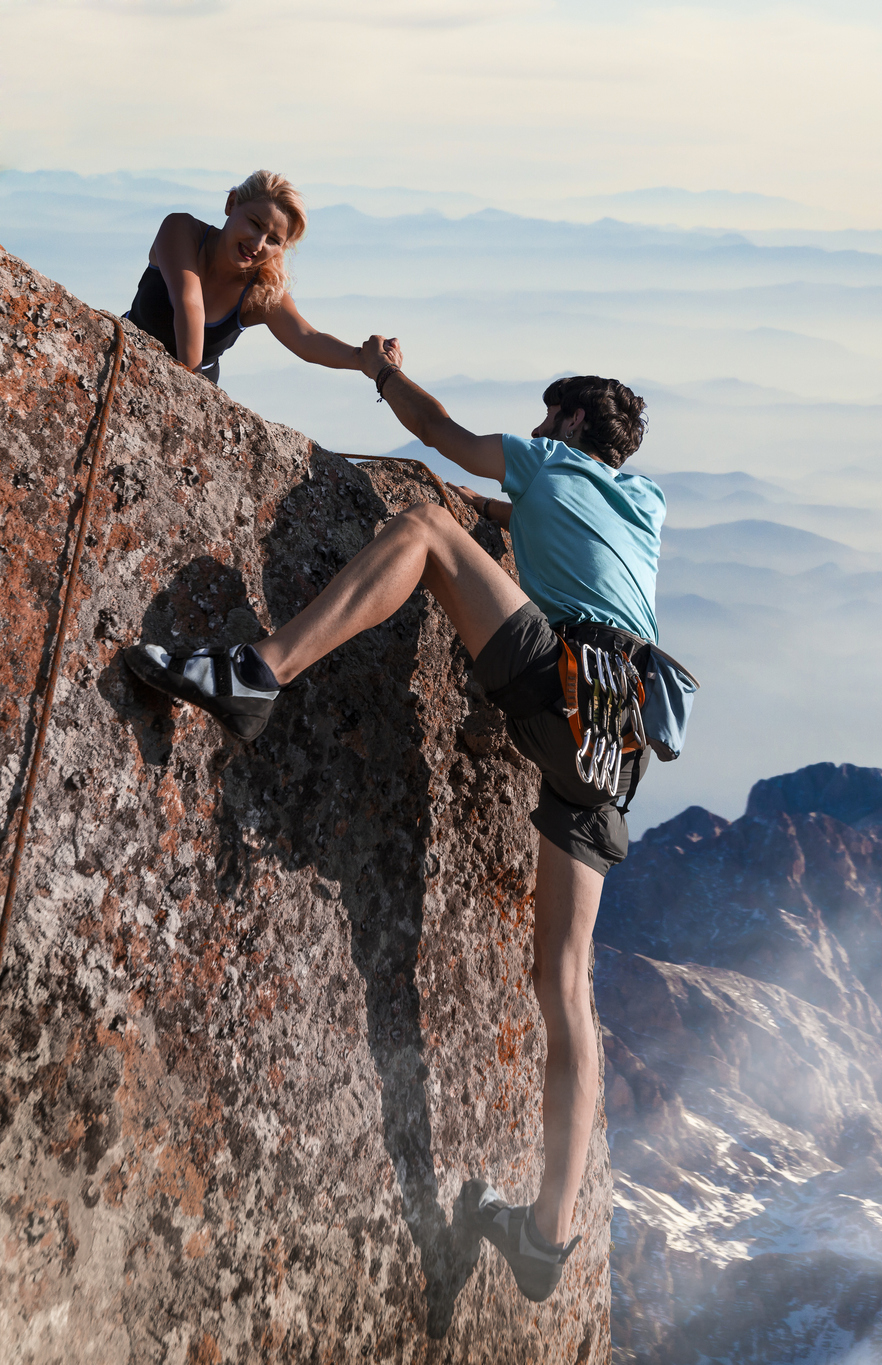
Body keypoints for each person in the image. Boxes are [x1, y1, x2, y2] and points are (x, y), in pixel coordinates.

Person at [123, 344, 664, 1304]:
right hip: (615, 746)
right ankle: (546, 1236)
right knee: (565, 988)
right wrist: (506, 520)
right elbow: (550, 530)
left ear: (574, 425)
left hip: (562, 684)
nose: (537, 434)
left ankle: (256, 673)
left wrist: (381, 372)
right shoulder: (647, 508)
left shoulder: (550, 461)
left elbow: (439, 436)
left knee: (419, 527)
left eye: (548, 421)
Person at [125, 170, 395, 386]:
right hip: (128, 358)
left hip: (197, 388)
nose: (257, 243)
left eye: (274, 240)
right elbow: (189, 304)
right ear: (231, 204)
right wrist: (189, 388)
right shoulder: (181, 229)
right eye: (255, 223)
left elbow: (307, 338)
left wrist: (364, 360)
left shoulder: (261, 292)